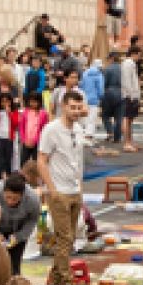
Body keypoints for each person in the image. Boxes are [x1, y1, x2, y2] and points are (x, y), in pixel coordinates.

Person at [40, 91, 88, 275]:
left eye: (78, 108)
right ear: (63, 107)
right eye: (72, 108)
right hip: (59, 190)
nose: (76, 112)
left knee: (71, 237)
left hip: (75, 189)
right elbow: (41, 160)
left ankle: (56, 274)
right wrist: (52, 190)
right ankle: (63, 278)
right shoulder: (51, 130)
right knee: (64, 237)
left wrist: (80, 187)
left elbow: (78, 159)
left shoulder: (78, 129)